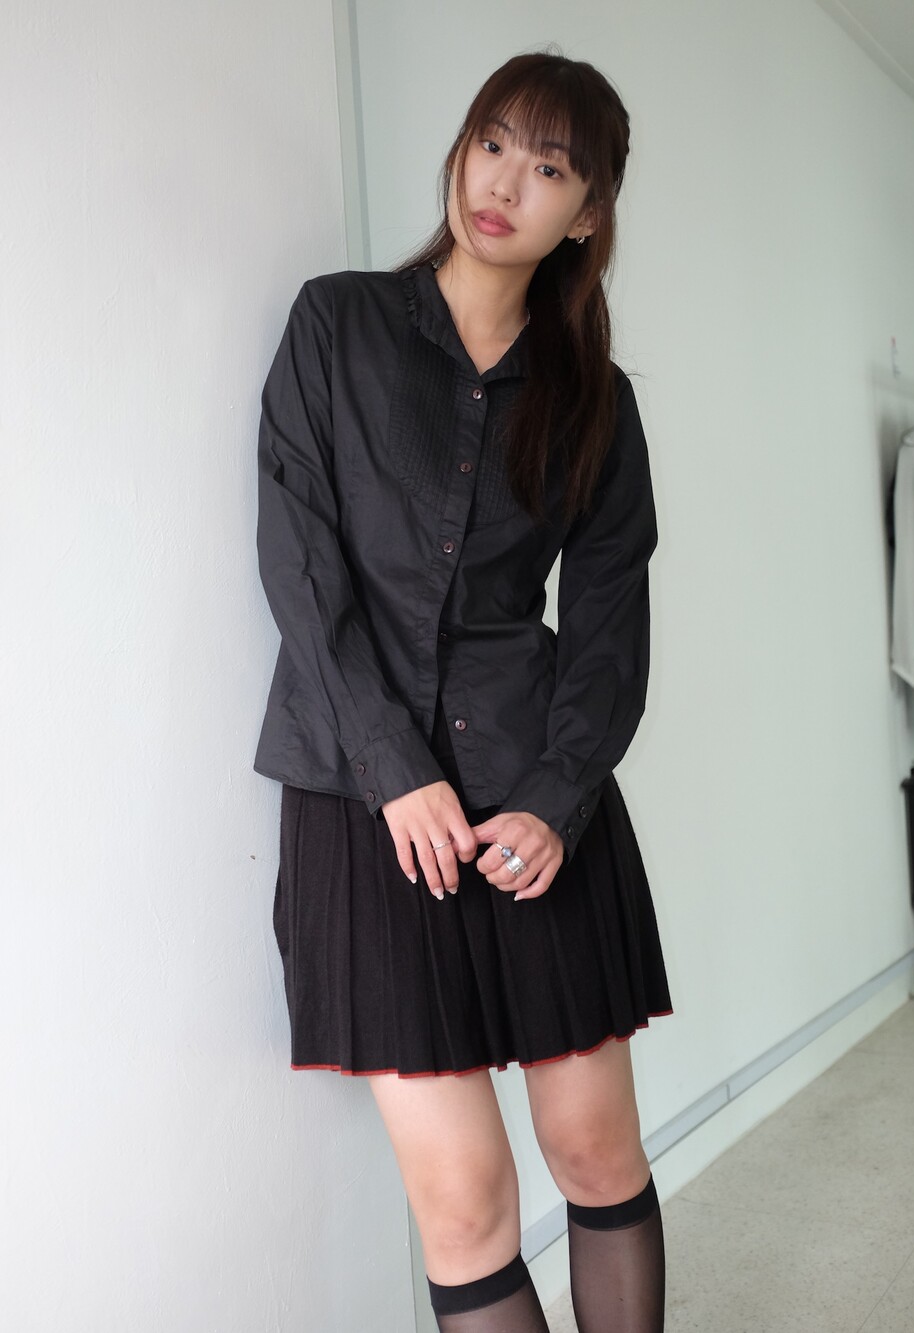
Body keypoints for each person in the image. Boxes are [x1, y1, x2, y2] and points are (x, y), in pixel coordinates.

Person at [254, 49, 673, 1333]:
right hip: (362, 807)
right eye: (493, 142)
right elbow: (300, 567)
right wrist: (394, 769)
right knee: (464, 1202)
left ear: (586, 213)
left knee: (595, 1152)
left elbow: (606, 629)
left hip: (538, 807)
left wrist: (555, 799)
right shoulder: (337, 327)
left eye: (548, 168)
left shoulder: (596, 403)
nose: (504, 183)